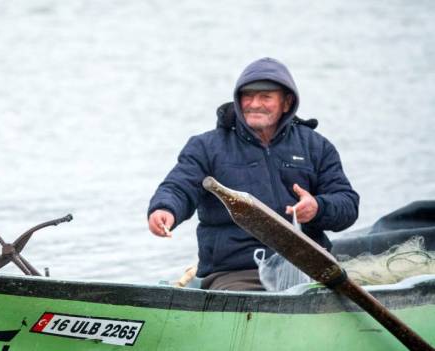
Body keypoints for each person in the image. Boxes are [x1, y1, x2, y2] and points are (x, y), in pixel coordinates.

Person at [147, 57, 359, 291]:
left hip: (310, 268)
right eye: (248, 96)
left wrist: (318, 207)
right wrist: (164, 209)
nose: (254, 103)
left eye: (265, 97)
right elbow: (179, 186)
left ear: (287, 103)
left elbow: (348, 204)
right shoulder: (206, 147)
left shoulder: (316, 146)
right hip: (236, 272)